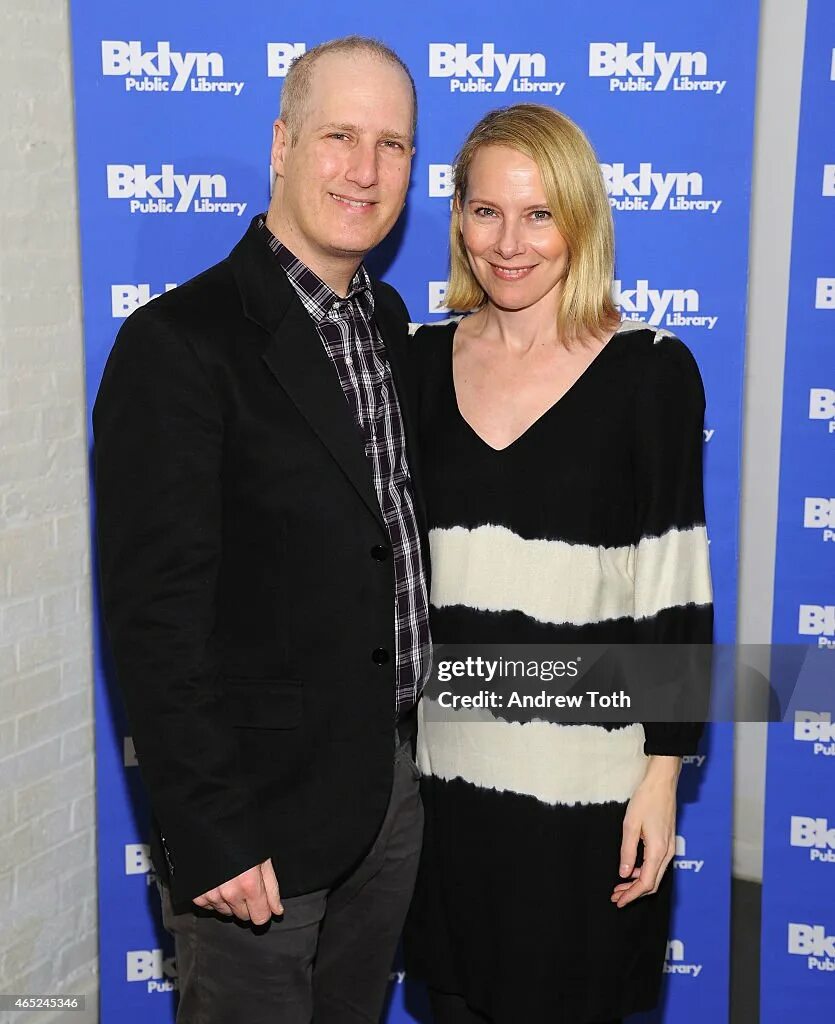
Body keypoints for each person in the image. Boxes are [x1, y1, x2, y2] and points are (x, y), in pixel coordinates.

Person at [93, 36, 429, 1024]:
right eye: (338, 136)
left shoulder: (388, 322)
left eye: (393, 145)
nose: (365, 170)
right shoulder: (176, 345)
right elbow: (154, 617)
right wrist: (211, 831)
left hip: (387, 799)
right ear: (282, 144)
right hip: (256, 829)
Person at [402, 104, 713, 1024]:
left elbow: (673, 585)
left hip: (590, 798)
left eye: (538, 215)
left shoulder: (649, 371)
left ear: (581, 219)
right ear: (456, 218)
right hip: (445, 793)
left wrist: (662, 778)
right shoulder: (413, 362)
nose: (509, 244)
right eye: (486, 211)